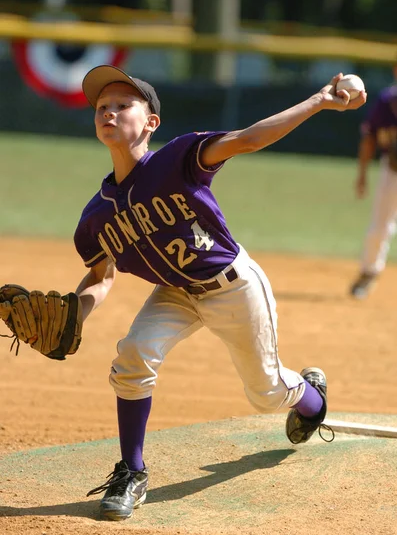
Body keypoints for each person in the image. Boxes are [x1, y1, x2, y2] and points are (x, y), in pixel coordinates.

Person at [73, 65, 366, 521]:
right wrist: (76, 313)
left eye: (123, 105)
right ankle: (132, 472)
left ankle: (312, 398)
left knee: (266, 394)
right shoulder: (96, 217)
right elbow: (100, 277)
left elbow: (248, 139)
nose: (108, 112)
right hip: (174, 293)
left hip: (233, 286)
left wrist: (321, 100)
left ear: (150, 123)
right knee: (133, 355)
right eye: (101, 107)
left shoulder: (179, 157)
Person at [350, 64, 397, 299]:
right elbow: (369, 140)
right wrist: (362, 175)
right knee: (379, 226)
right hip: (392, 171)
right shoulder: (386, 102)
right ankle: (369, 273)